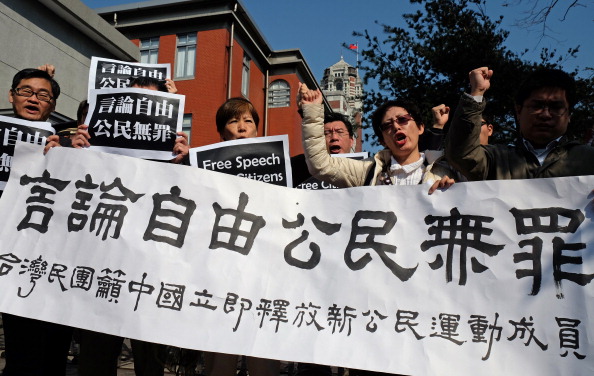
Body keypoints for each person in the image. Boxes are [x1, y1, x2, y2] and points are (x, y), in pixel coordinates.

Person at [76, 76, 181, 376]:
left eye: (151, 102)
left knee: (150, 363)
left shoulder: (173, 152)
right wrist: (76, 152)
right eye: (135, 99)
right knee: (96, 357)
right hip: (99, 267)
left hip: (149, 271)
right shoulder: (91, 146)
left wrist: (181, 162)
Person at [196, 97, 281, 376]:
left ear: (258, 128)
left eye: (248, 121)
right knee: (220, 355)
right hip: (220, 273)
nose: (242, 127)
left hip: (263, 273)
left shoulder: (277, 165)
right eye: (233, 121)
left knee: (262, 356)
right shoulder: (202, 167)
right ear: (221, 131)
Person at [2, 67, 73, 376]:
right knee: (19, 348)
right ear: (11, 96)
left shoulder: (67, 143)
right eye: (26, 92)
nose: (34, 99)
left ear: (53, 105)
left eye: (44, 95)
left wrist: (66, 159)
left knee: (49, 347)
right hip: (7, 249)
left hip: (46, 258)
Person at [300, 83, 455, 193]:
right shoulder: (368, 171)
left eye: (403, 120)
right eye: (387, 125)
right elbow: (320, 164)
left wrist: (451, 192)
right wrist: (312, 111)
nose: (396, 127)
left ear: (420, 128)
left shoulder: (446, 168)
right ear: (382, 140)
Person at [445, 66, 594, 181]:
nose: (545, 115)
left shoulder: (588, 159)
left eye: (556, 107)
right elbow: (462, 155)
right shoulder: (495, 159)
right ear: (518, 111)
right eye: (537, 106)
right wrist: (476, 93)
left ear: (569, 115)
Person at [292, 111, 356, 187]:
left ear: (351, 141)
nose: (334, 138)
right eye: (326, 133)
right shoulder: (298, 165)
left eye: (340, 132)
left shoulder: (365, 169)